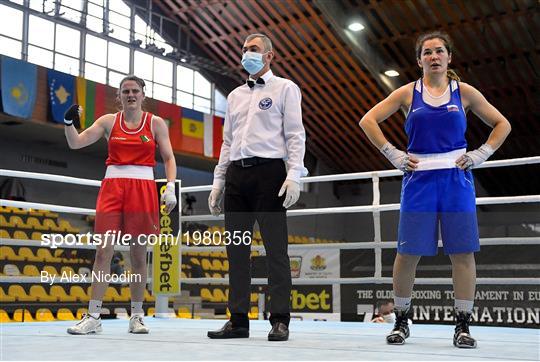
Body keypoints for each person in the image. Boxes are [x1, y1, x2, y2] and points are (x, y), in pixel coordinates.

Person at [359, 31, 511, 348]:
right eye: (427, 52)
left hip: (456, 179)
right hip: (419, 181)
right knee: (407, 253)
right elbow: (368, 120)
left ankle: (463, 325)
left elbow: (502, 124)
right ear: (419, 60)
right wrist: (392, 153)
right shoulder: (407, 93)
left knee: (462, 252)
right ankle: (401, 320)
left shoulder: (464, 92)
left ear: (448, 57)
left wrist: (482, 153)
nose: (434, 56)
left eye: (439, 51)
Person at [207, 33, 307, 342]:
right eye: (245, 49)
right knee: (236, 251)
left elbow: (295, 134)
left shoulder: (286, 88)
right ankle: (238, 320)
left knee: (276, 251)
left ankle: (280, 319)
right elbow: (227, 142)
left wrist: (294, 175)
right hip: (237, 176)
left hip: (270, 175)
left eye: (253, 49)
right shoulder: (235, 95)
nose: (247, 53)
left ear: (269, 56)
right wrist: (219, 180)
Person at [64, 75, 177, 334]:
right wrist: (69, 122)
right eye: (126, 91)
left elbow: (169, 158)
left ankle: (136, 316)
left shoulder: (156, 123)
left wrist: (169, 187)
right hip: (113, 187)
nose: (130, 95)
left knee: (138, 256)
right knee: (103, 252)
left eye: (135, 90)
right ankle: (93, 316)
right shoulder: (107, 122)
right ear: (120, 96)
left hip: (143, 189)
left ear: (143, 94)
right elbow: (76, 142)